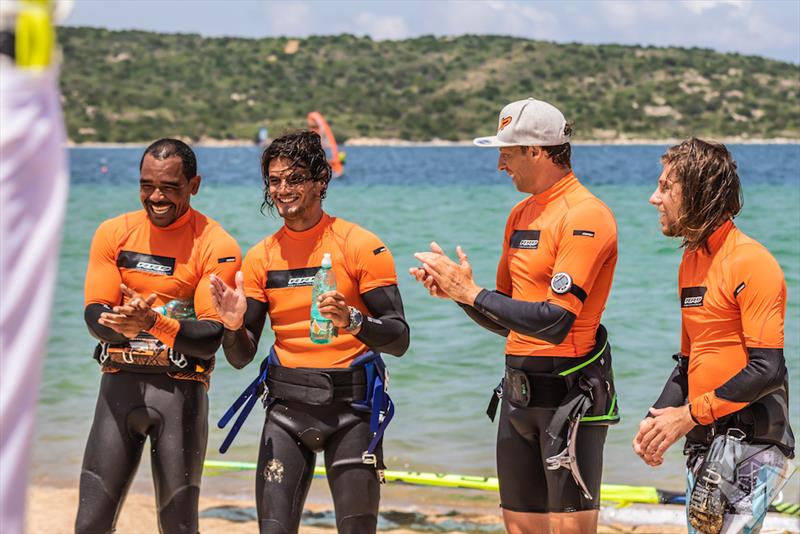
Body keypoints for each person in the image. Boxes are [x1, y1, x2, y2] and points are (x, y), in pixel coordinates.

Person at [411, 98, 619, 533]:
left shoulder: (586, 215)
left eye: (507, 152)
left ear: (537, 151)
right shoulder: (519, 215)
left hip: (570, 395)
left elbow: (555, 321)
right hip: (518, 394)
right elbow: (507, 316)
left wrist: (472, 291)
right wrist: (461, 296)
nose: (500, 164)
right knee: (519, 527)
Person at [209, 130, 409, 534]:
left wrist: (352, 321)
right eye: (275, 180)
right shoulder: (263, 256)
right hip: (285, 411)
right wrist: (231, 326)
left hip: (353, 412)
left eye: (295, 178)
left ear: (321, 180)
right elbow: (240, 355)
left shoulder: (360, 245)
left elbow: (399, 337)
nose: (283, 190)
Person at [75, 138, 241, 533]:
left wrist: (152, 324)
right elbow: (93, 311)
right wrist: (120, 327)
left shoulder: (216, 243)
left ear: (194, 185)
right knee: (90, 524)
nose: (156, 197)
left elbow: (209, 335)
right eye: (147, 185)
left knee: (178, 526)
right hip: (118, 391)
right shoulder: (114, 233)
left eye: (170, 186)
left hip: (180, 396)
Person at [633, 138, 794, 534]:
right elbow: (690, 361)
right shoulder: (691, 261)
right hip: (705, 442)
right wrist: (657, 421)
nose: (654, 198)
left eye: (666, 187)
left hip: (750, 442)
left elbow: (767, 368)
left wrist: (685, 416)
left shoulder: (750, 262)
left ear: (698, 191)